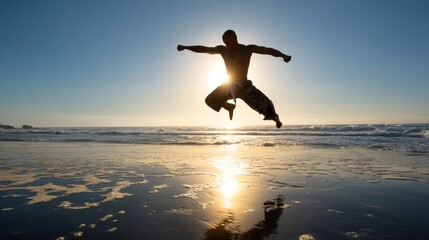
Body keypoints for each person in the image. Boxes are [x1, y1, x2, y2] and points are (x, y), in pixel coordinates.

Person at [177, 30, 291, 128]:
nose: (227, 45)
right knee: (210, 100)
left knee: (267, 106)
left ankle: (276, 119)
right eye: (225, 43)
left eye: (229, 42)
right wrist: (186, 47)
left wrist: (283, 55)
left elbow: (267, 50)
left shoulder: (247, 49)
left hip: (245, 86)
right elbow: (204, 49)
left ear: (235, 39)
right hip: (230, 86)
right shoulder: (223, 50)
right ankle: (229, 106)